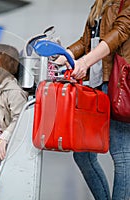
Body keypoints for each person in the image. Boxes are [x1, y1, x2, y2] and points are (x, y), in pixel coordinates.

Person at [55, 0, 130, 199]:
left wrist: (85, 62)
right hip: (97, 85)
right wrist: (62, 56)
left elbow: (120, 32)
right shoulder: (100, 3)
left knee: (122, 155)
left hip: (118, 84)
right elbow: (86, 41)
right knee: (83, 154)